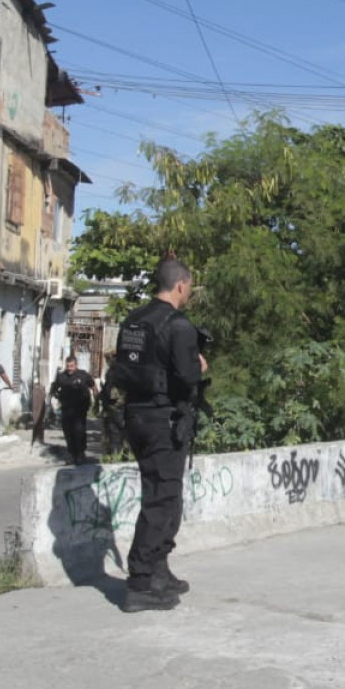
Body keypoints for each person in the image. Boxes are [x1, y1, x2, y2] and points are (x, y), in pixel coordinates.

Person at [108, 258, 207, 612]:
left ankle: (158, 569)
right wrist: (200, 364)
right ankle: (140, 582)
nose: (190, 292)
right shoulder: (178, 326)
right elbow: (188, 377)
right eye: (190, 286)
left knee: (165, 495)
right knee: (161, 499)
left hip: (136, 415)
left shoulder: (134, 320)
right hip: (163, 419)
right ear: (181, 285)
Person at [49, 354, 99, 464]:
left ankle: (80, 453)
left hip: (80, 409)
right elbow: (54, 388)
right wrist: (52, 399)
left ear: (76, 365)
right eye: (68, 366)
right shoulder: (61, 376)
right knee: (68, 432)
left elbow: (93, 386)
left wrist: (97, 401)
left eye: (71, 366)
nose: (69, 369)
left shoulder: (83, 375)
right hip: (66, 409)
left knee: (79, 431)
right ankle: (72, 454)